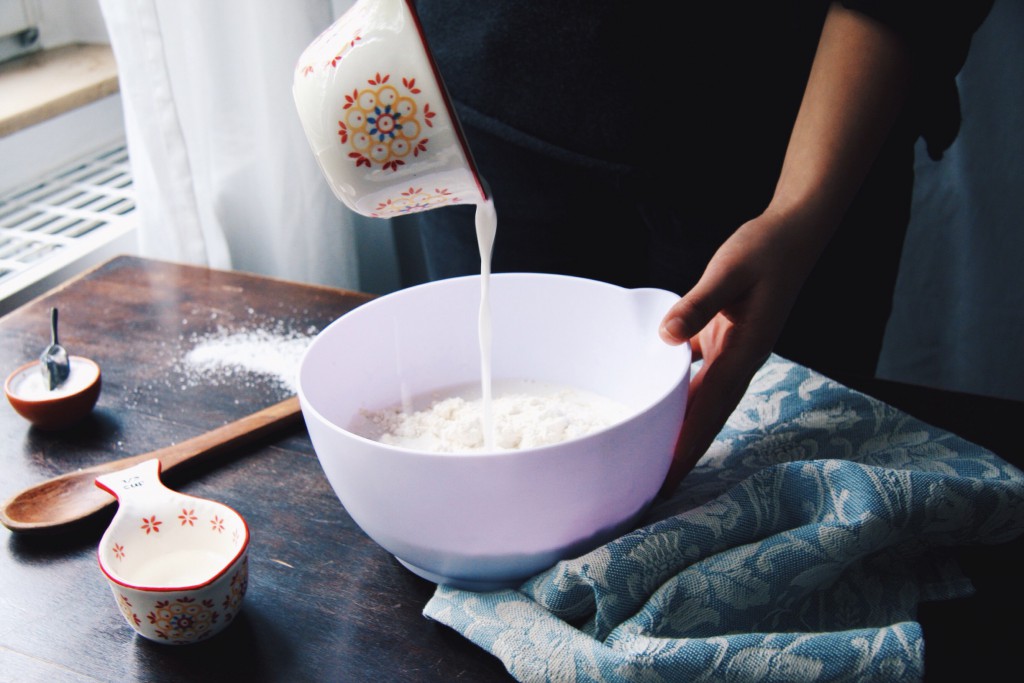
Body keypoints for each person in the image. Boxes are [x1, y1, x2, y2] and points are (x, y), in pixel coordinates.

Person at [408, 1, 993, 493]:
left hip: (796, 140)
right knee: (488, 489)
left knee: (771, 496)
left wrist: (795, 211)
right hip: (474, 112)